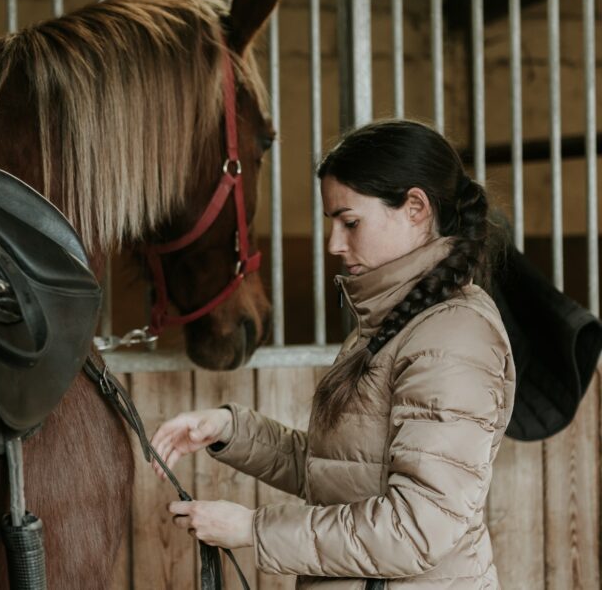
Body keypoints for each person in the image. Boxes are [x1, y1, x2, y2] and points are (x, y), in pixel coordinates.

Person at [151, 120, 515, 588]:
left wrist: (253, 529)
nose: (334, 244)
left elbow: (417, 530)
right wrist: (229, 430)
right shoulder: (395, 323)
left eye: (351, 223)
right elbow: (341, 474)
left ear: (415, 208)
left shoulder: (453, 339)